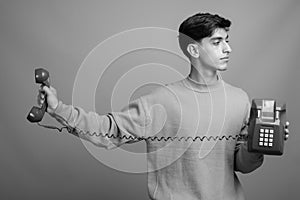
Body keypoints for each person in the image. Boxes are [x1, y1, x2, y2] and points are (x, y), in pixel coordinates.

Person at [38, 12, 289, 200]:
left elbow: (240, 165)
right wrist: (58, 108)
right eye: (217, 42)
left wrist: (258, 145)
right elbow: (107, 131)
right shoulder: (160, 100)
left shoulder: (240, 99)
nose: (228, 48)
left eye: (227, 40)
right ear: (193, 49)